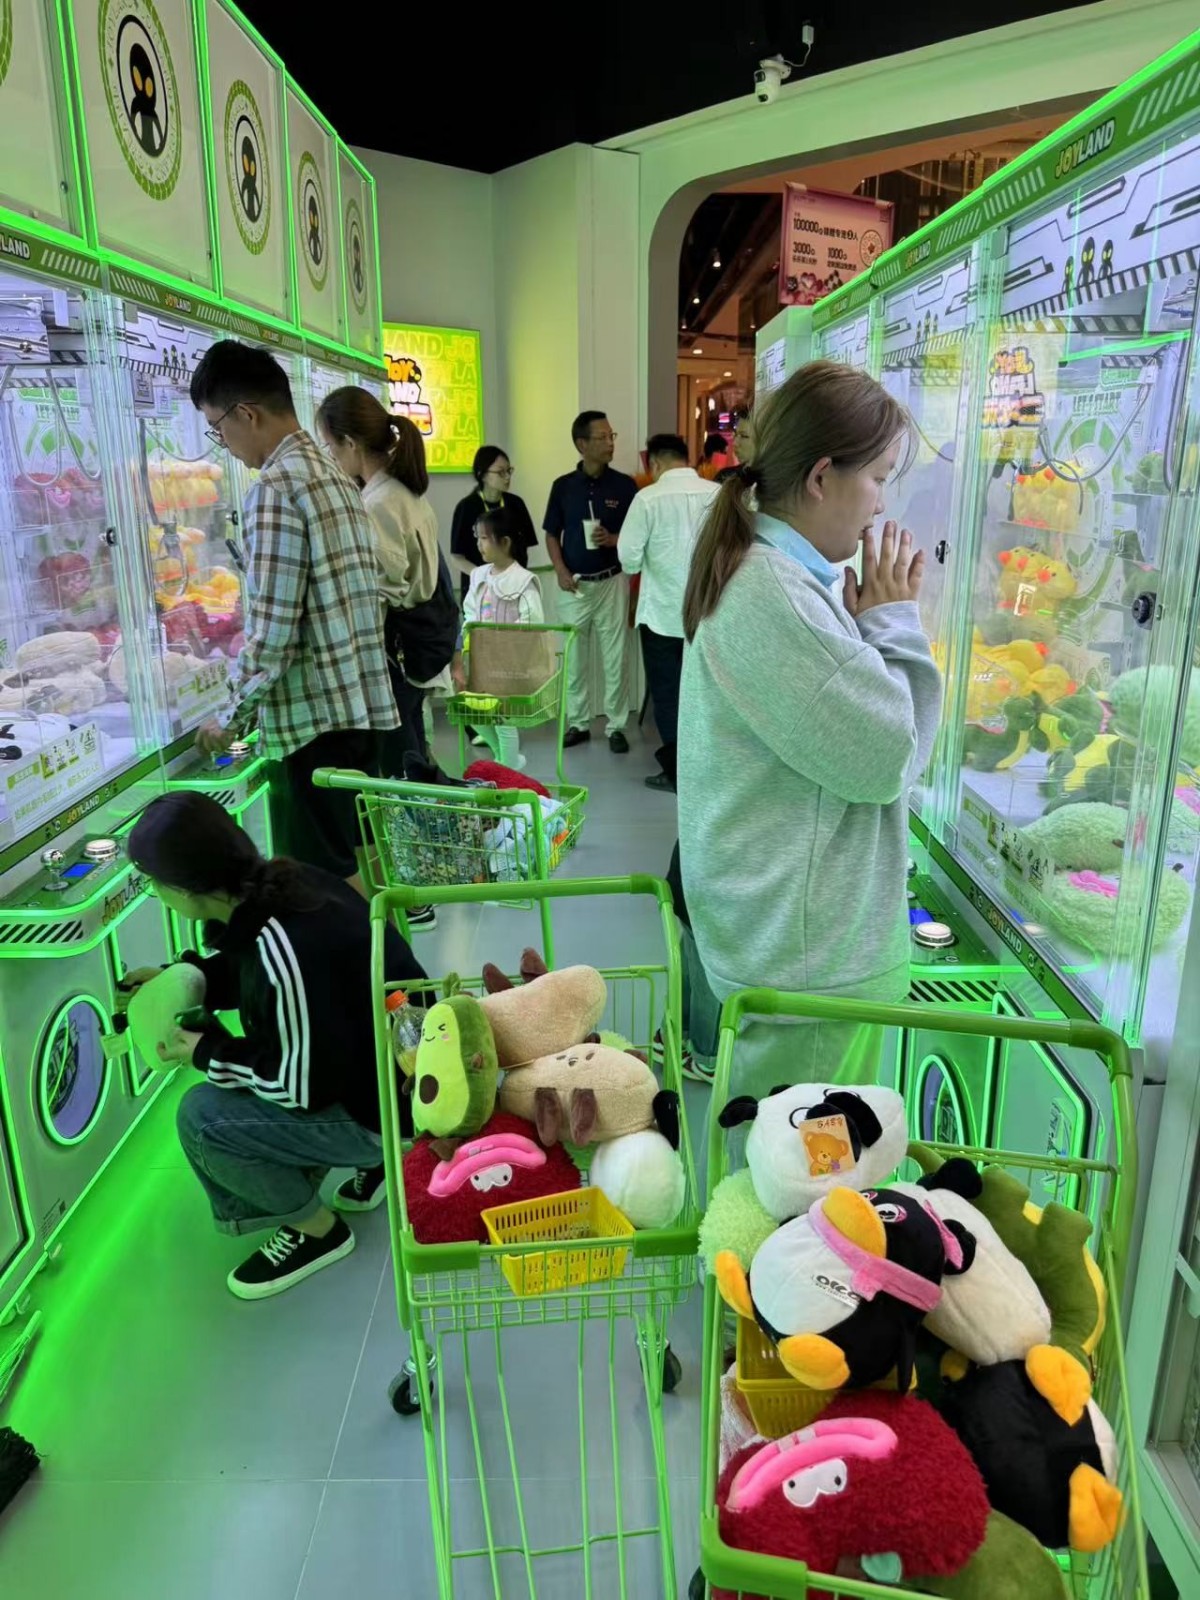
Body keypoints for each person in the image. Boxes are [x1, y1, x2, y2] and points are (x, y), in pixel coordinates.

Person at [677, 360, 941, 1098]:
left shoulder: (764, 572)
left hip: (788, 948)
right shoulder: (778, 595)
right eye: (879, 478)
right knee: (809, 1195)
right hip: (809, 966)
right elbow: (890, 755)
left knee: (782, 1175)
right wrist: (893, 625)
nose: (880, 505)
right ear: (823, 477)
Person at [123, 791, 428, 1300]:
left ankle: (317, 1229)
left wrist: (205, 1053)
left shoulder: (280, 948)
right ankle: (377, 1164)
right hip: (405, 1073)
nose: (155, 893)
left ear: (186, 887)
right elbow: (256, 970)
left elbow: (297, 1086)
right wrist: (190, 973)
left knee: (202, 1118)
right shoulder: (288, 883)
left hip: (381, 1108)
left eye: (155, 882)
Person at [188, 341, 397, 893]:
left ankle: (371, 978)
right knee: (366, 862)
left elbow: (274, 633)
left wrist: (228, 716)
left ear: (246, 414)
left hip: (312, 725)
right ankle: (395, 977)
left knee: (327, 882)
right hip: (357, 708)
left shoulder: (276, 490)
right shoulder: (332, 475)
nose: (224, 444)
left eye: (218, 428)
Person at [315, 389, 457, 779]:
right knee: (414, 749)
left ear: (350, 443)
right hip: (419, 643)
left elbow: (382, 591)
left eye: (331, 446)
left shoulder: (378, 504)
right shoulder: (403, 491)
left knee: (402, 763)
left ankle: (419, 832)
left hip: (395, 651)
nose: (331, 456)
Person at [618, 433, 718, 792]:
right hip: (709, 614)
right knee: (707, 694)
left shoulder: (647, 499)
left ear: (655, 464)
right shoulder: (717, 495)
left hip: (660, 616)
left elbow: (628, 560)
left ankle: (676, 773)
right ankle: (708, 770)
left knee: (667, 694)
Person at [543, 410, 637, 753]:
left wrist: (613, 539)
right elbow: (552, 534)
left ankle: (616, 726)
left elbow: (635, 534)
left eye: (613, 436)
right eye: (603, 437)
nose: (610, 442)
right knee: (573, 658)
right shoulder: (563, 487)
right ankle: (579, 723)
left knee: (616, 657)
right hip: (575, 585)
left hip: (612, 582)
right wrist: (560, 570)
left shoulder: (625, 486)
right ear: (582, 444)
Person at [463, 507, 545, 769]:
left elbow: (533, 622)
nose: (479, 544)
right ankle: (506, 760)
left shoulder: (523, 580)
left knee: (503, 719)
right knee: (473, 712)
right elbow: (469, 610)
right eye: (477, 538)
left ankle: (507, 768)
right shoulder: (479, 575)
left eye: (484, 538)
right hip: (480, 660)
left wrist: (507, 644)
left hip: (510, 664)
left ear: (505, 542)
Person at [449, 446, 537, 600]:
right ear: (482, 475)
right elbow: (457, 557)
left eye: (509, 471)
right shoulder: (467, 507)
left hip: (514, 587)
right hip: (480, 590)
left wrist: (514, 577)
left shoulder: (516, 504)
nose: (507, 477)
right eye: (500, 472)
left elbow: (525, 548)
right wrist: (485, 577)